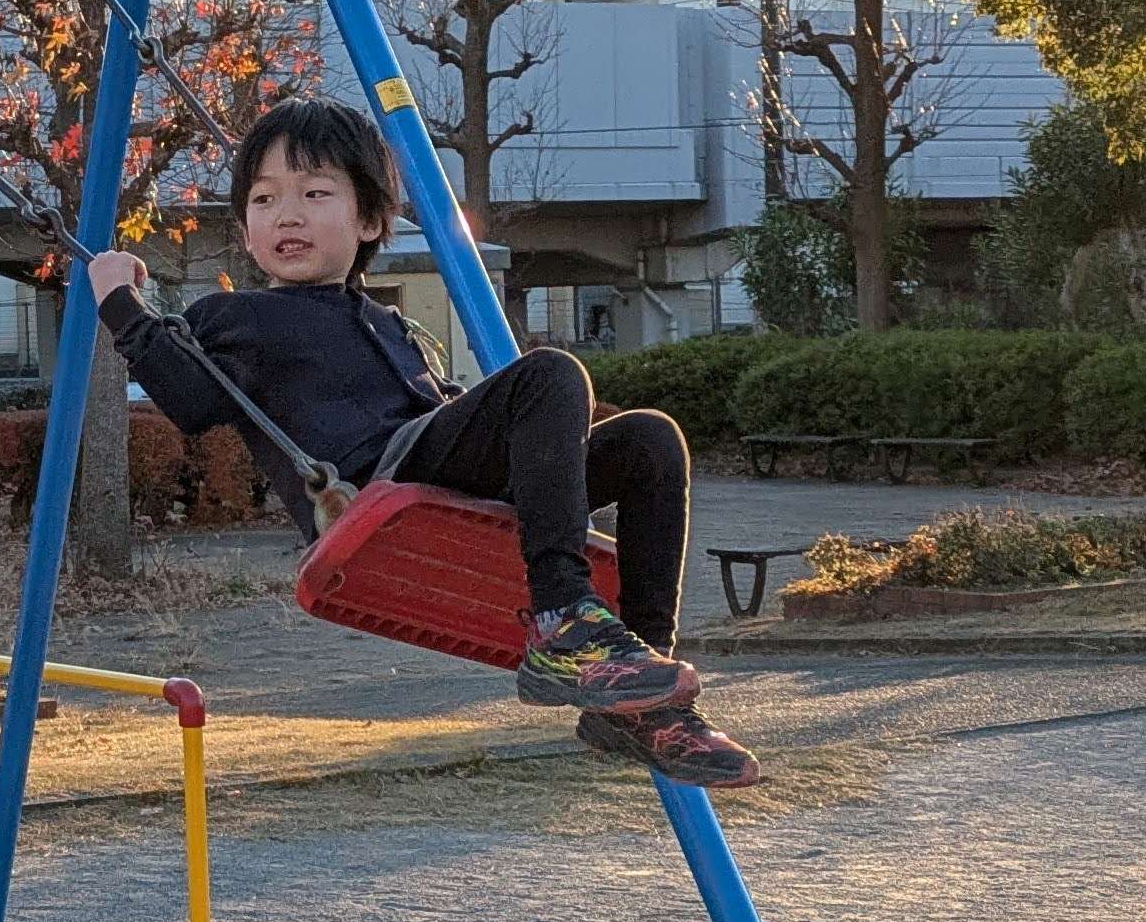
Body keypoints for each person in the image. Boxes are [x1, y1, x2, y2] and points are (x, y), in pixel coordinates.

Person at [88, 97, 760, 789]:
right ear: (246, 228)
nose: (286, 215)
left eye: (314, 194)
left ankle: (645, 698)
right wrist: (119, 302)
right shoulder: (234, 317)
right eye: (264, 200)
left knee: (650, 440)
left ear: (369, 221)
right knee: (551, 373)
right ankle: (564, 621)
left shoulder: (390, 323)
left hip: (439, 473)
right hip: (374, 482)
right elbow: (190, 400)